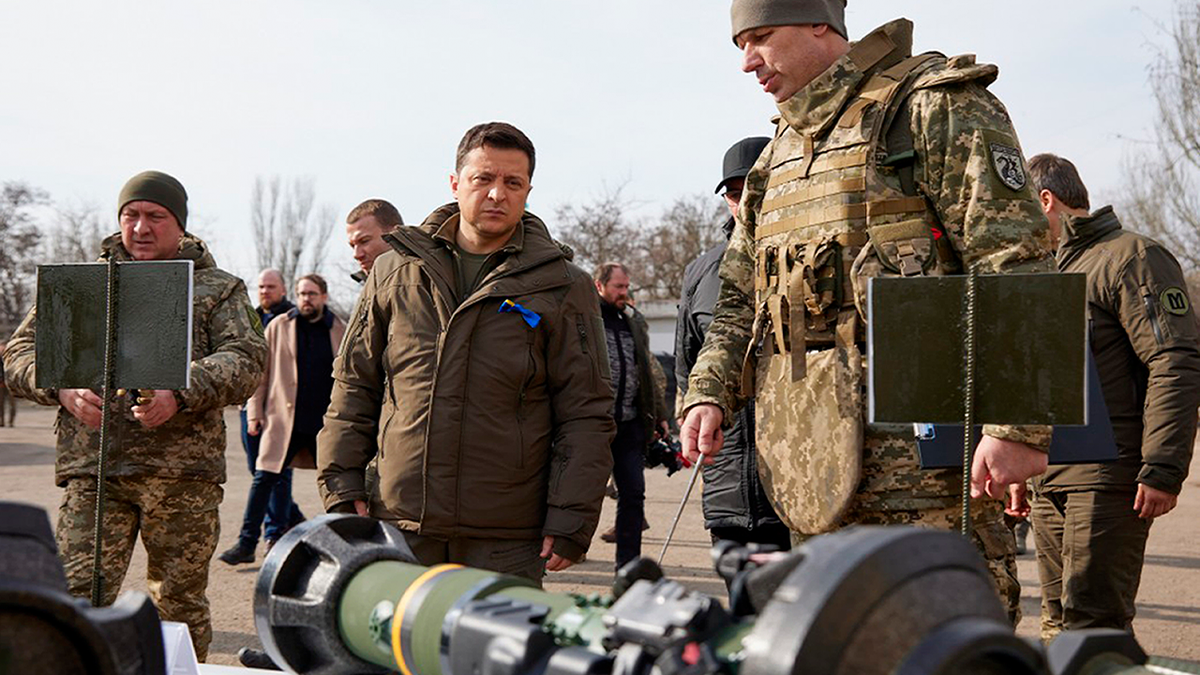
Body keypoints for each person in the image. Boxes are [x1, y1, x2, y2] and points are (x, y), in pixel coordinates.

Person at [679, 1, 1056, 623]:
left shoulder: (933, 107)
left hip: (925, 473)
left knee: (944, 642)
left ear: (820, 25)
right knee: (837, 642)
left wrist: (1018, 426)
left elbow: (1014, 265)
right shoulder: (775, 159)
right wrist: (708, 392)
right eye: (740, 44)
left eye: (762, 38)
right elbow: (740, 298)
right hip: (810, 468)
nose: (747, 62)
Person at [318, 122, 615, 583]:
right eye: (484, 179)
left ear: (528, 192)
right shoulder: (394, 272)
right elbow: (355, 385)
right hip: (400, 525)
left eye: (512, 183)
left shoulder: (562, 284)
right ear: (456, 183)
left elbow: (586, 411)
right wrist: (341, 483)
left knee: (492, 656)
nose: (497, 194)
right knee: (394, 653)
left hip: (507, 537)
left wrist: (571, 516)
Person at [2, 170, 266, 660]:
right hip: (96, 471)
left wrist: (181, 389)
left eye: (155, 216)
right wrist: (59, 386)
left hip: (181, 477)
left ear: (179, 224)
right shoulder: (84, 286)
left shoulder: (217, 289)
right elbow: (17, 352)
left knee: (179, 606)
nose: (141, 227)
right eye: (131, 216)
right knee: (77, 600)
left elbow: (247, 359)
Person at [1015, 154, 1200, 640]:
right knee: (1056, 624)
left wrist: (1162, 467)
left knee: (1094, 626)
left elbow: (1173, 361)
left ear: (1046, 201)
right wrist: (1017, 457)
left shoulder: (1132, 257)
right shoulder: (1044, 270)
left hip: (1108, 473)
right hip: (1048, 475)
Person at [676, 137, 791, 565]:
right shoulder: (702, 272)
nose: (745, 203)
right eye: (735, 193)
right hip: (730, 487)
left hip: (806, 484)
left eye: (755, 190)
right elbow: (688, 368)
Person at [220, 274, 345, 565]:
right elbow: (260, 375)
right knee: (263, 480)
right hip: (283, 421)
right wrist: (255, 413)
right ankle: (246, 543)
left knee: (335, 484)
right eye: (302, 293)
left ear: (323, 297)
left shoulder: (338, 328)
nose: (306, 299)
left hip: (323, 424)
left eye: (312, 294)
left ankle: (340, 541)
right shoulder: (279, 326)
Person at [594, 262, 668, 569]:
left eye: (626, 287)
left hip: (630, 425)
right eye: (618, 287)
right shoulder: (587, 318)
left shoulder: (633, 322)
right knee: (577, 497)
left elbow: (648, 371)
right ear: (600, 286)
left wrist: (659, 414)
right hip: (594, 426)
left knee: (633, 495)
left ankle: (628, 568)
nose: (625, 293)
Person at [237, 268, 302, 549]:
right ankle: (295, 519)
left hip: (281, 408)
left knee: (278, 472)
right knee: (258, 471)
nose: (265, 291)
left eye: (271, 287)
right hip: (249, 404)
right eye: (261, 286)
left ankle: (275, 533)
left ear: (283, 289)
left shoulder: (295, 319)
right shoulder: (251, 318)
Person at [346, 198, 404, 283]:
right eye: (353, 246)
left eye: (364, 241)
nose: (357, 254)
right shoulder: (369, 290)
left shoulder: (422, 278)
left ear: (394, 235)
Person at [0, 341, 15, 427]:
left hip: (10, 383)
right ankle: (1, 421)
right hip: (1, 383)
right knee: (1, 403)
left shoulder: (11, 357)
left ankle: (11, 421)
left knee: (11, 404)